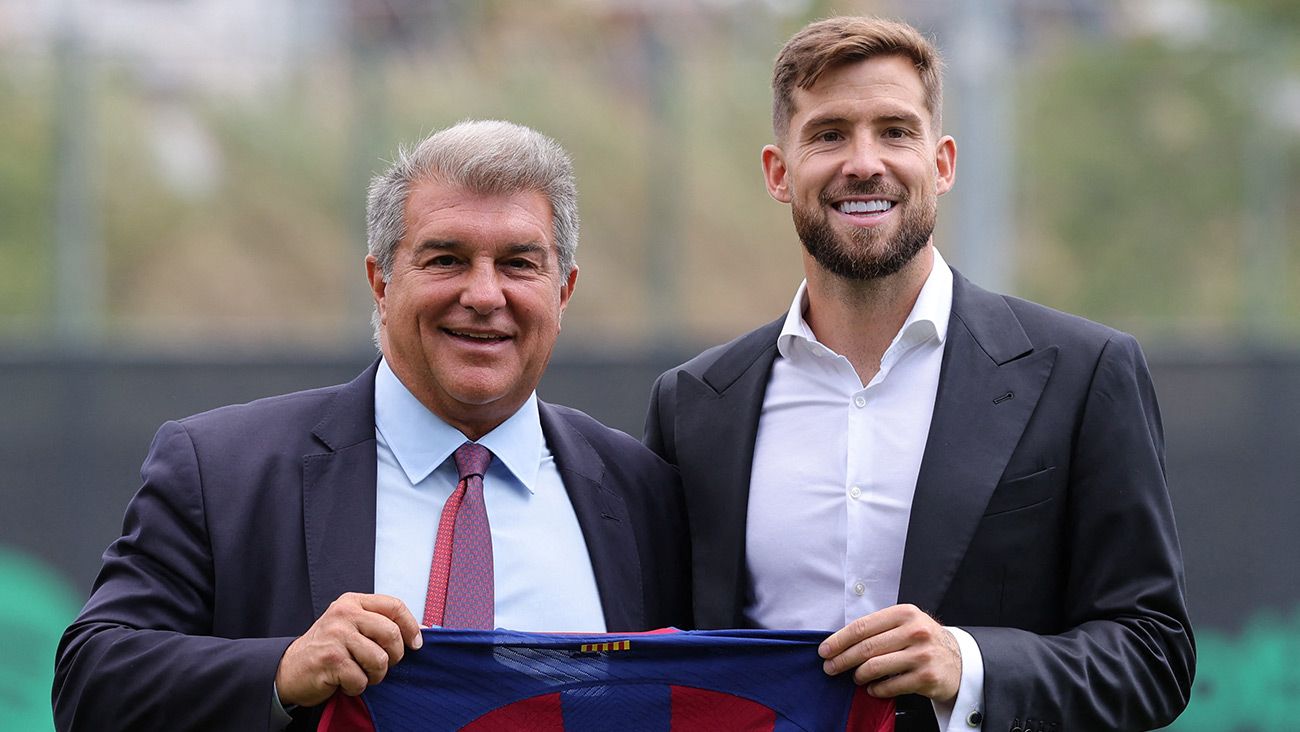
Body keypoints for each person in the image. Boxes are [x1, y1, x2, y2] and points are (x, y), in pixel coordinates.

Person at [644, 16, 1193, 732]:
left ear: (943, 164)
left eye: (896, 131)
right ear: (780, 173)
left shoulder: (1085, 374)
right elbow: (652, 662)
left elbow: (1155, 654)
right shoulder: (693, 406)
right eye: (830, 133)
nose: (864, 162)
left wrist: (968, 665)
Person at [54, 120, 690, 731]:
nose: (485, 294)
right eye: (446, 259)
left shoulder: (642, 493)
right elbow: (91, 684)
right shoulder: (220, 471)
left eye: (520, 264)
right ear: (380, 283)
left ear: (564, 292)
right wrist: (279, 670)